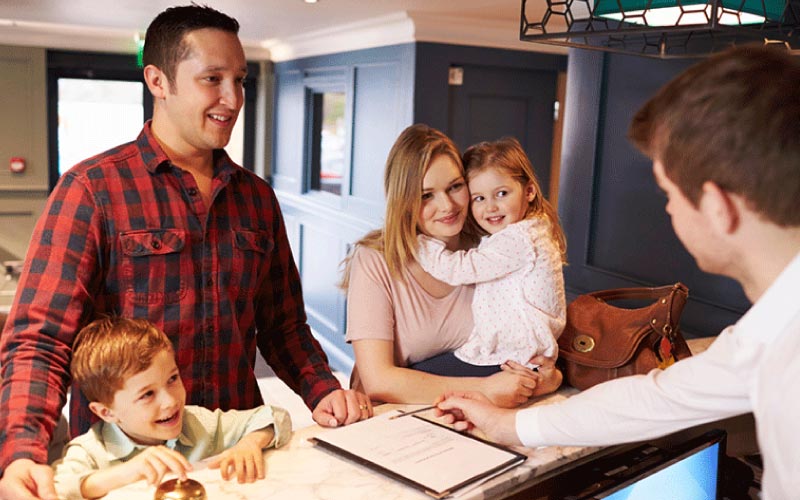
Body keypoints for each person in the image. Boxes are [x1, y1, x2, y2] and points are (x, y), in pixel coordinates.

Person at [0, 5, 370, 500]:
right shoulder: (90, 190)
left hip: (240, 458)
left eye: (239, 79)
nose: (232, 98)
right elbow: (40, 339)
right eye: (211, 79)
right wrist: (24, 448)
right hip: (131, 470)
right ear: (158, 80)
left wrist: (323, 389)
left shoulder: (256, 198)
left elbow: (283, 325)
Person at [434, 46, 800, 500]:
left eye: (669, 193)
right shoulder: (770, 332)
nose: (667, 209)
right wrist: (510, 424)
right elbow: (660, 397)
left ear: (717, 208)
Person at [341, 124, 562, 409]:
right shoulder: (375, 260)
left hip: (475, 414)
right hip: (398, 416)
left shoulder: (488, 246)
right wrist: (483, 389)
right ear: (404, 202)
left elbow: (529, 336)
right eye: (426, 195)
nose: (447, 205)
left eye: (455, 187)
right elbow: (378, 381)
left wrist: (549, 377)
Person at [52, 317, 292, 500]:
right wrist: (127, 472)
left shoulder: (197, 424)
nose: (170, 401)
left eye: (173, 379)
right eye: (147, 394)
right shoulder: (90, 451)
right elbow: (59, 488)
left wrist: (250, 443)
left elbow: (273, 417)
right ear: (106, 412)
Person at [414, 137, 567, 373]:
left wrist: (419, 244)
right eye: (479, 198)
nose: (491, 207)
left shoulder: (519, 239)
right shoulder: (532, 229)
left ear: (529, 191)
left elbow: (460, 269)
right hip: (519, 353)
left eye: (502, 193)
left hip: (514, 356)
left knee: (419, 374)